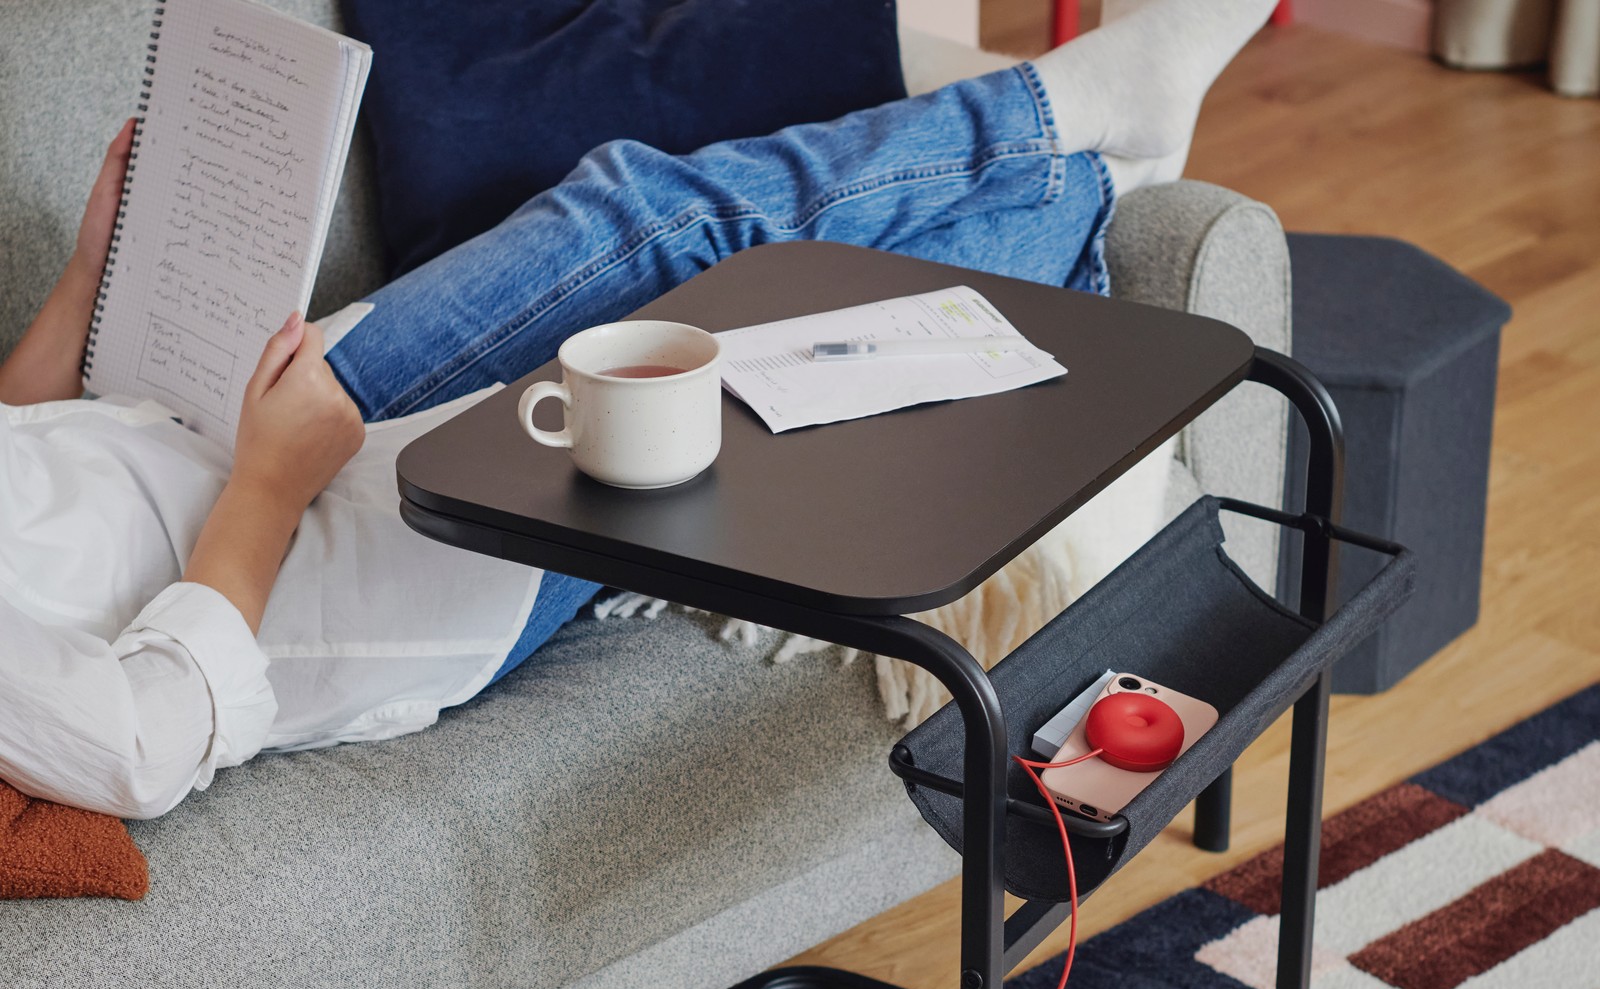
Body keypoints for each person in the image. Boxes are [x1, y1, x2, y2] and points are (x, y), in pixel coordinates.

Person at [0, 0, 1272, 819]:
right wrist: (268, 487)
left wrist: (95, 260)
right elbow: (138, 744)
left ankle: (1082, 165)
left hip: (232, 419)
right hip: (377, 551)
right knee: (695, 273)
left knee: (641, 217)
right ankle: (1080, 124)